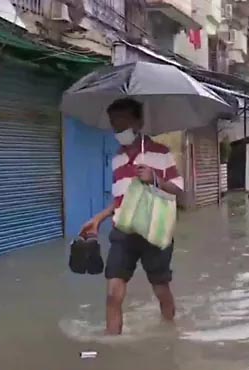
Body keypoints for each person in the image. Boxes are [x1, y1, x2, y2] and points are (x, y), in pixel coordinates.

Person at [79, 98, 184, 335]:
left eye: (122, 121)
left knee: (160, 289)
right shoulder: (117, 158)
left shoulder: (160, 153)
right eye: (114, 123)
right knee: (112, 294)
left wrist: (155, 178)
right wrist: (99, 218)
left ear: (138, 122)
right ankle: (112, 344)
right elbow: (121, 202)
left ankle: (171, 332)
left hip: (153, 231)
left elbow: (179, 190)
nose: (117, 128)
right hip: (124, 232)